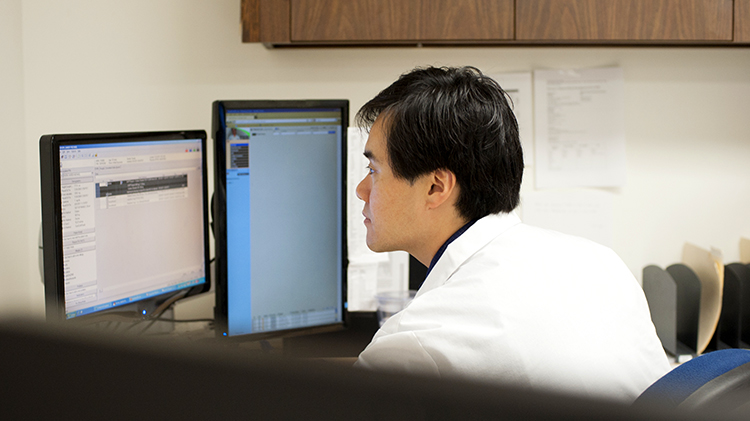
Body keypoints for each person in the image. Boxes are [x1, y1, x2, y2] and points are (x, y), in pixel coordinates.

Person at [352, 66, 670, 403]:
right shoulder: (599, 261)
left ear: (436, 187)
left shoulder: (416, 345)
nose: (361, 189)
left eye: (374, 170)